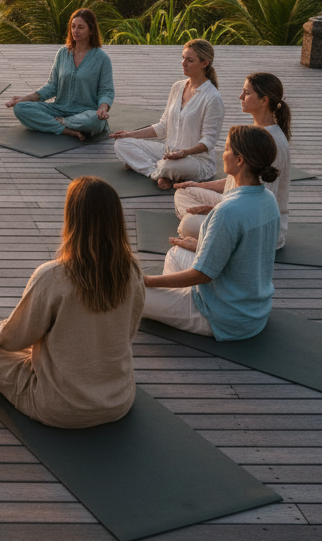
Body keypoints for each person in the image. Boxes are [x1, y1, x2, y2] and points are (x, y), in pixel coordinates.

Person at [0, 176, 145, 429]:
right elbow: (128, 332)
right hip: (118, 400)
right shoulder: (132, 269)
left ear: (72, 218)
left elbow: (10, 339)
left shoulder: (54, 276)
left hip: (59, 406)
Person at [144, 125, 280, 341]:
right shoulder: (268, 200)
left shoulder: (228, 210)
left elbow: (202, 275)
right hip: (254, 311)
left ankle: (173, 302)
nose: (222, 154)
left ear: (240, 160)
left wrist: (147, 281)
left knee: (129, 293)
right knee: (176, 254)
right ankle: (174, 300)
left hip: (223, 316)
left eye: (226, 149)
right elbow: (247, 255)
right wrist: (199, 247)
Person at [172, 72, 291, 249]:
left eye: (247, 93)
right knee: (185, 192)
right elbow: (234, 181)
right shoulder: (255, 132)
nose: (240, 97)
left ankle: (215, 235)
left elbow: (260, 205)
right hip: (233, 205)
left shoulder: (270, 143)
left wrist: (215, 211)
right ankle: (211, 225)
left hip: (256, 229)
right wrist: (199, 186)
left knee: (187, 226)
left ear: (264, 100)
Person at [111, 39, 225, 189]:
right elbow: (163, 126)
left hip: (196, 161)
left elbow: (208, 142)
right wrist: (130, 134)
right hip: (168, 153)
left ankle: (160, 171)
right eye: (183, 58)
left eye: (190, 60)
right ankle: (156, 172)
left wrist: (184, 153)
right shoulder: (177, 87)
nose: (184, 63)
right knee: (122, 144)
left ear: (205, 63)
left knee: (168, 167)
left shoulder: (212, 97)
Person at [5, 8, 114, 140]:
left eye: (81, 27)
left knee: (95, 121)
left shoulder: (102, 58)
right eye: (73, 27)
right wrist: (24, 98)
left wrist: (103, 108)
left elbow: (106, 91)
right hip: (58, 109)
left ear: (91, 30)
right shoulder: (63, 53)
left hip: (85, 113)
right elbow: (52, 86)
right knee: (21, 108)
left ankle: (60, 123)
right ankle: (66, 130)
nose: (75, 31)